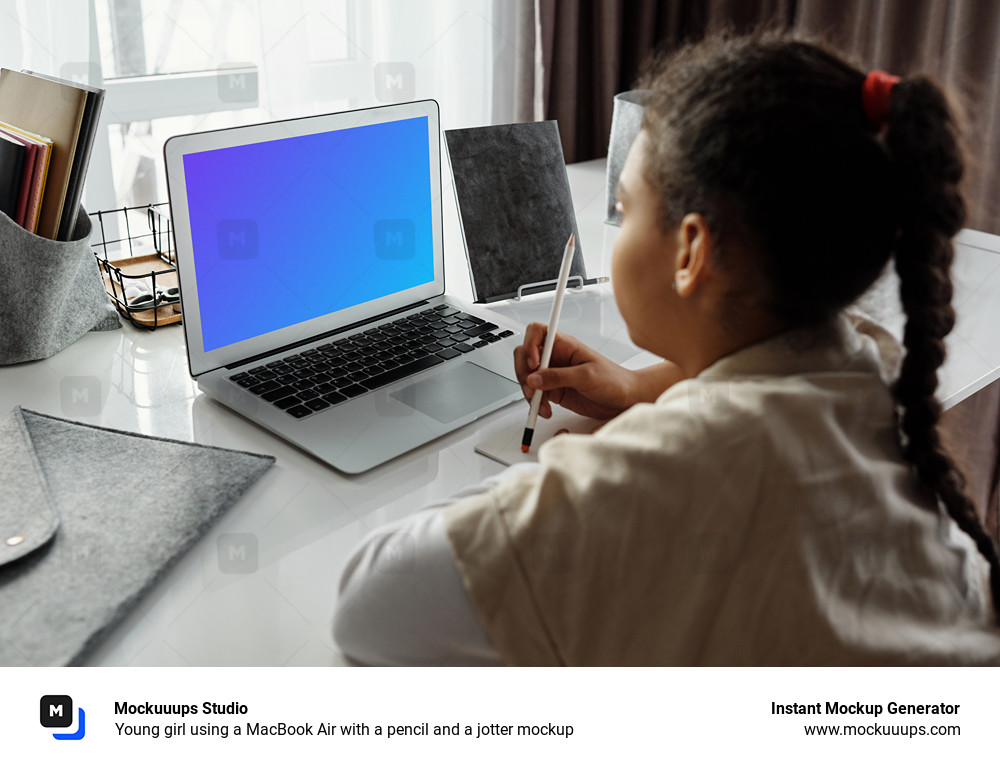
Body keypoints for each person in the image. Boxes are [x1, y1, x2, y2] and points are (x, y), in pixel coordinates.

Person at [332, 33, 1000, 665]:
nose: (615, 228)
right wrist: (633, 388)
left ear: (691, 252)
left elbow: (369, 602)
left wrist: (573, 465)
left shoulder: (662, 476)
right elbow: (773, 391)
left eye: (624, 206)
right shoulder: (871, 369)